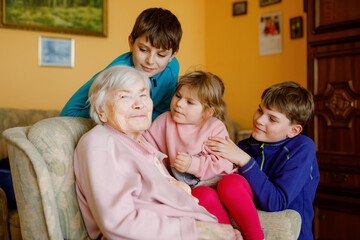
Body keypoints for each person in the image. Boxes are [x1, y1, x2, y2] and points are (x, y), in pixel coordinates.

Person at [73, 65, 241, 240]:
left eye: (143, 94)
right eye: (124, 96)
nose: (139, 104)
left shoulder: (142, 145)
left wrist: (214, 226)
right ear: (101, 110)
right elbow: (118, 221)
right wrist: (199, 231)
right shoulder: (101, 143)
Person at [205, 81, 320, 240]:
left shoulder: (302, 147)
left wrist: (244, 161)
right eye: (260, 110)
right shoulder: (245, 146)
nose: (260, 120)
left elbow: (276, 202)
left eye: (272, 119)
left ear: (294, 130)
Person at [60, 7, 182, 121]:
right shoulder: (117, 72)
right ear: (131, 43)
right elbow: (68, 114)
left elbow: (162, 111)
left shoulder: (171, 68)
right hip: (79, 117)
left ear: (172, 55)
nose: (150, 61)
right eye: (143, 50)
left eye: (161, 55)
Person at [143, 71, 237, 189]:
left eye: (190, 102)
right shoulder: (164, 120)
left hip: (215, 184)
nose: (179, 104)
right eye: (178, 96)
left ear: (207, 112)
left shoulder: (215, 127)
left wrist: (193, 165)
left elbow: (224, 164)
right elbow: (145, 146)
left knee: (224, 190)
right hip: (183, 187)